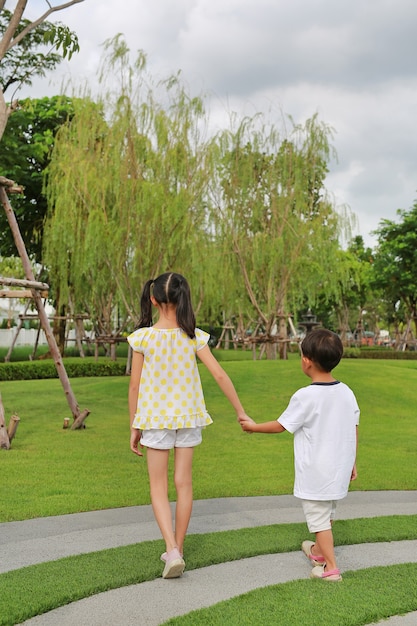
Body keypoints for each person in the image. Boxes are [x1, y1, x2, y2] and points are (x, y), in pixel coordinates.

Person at [128, 272, 250, 579]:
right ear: (183, 299)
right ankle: (177, 549)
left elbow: (135, 387)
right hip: (189, 417)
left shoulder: (143, 338)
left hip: (155, 419)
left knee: (158, 485)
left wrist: (134, 426)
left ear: (153, 299)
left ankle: (171, 548)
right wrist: (240, 411)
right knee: (184, 483)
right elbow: (220, 375)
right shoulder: (193, 335)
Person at [239, 328, 359, 582]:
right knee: (326, 514)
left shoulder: (305, 396)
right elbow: (353, 428)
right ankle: (317, 552)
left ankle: (331, 568)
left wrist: (253, 426)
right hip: (339, 468)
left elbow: (281, 425)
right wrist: (353, 461)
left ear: (306, 361)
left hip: (316, 472)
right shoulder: (347, 393)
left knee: (319, 519)